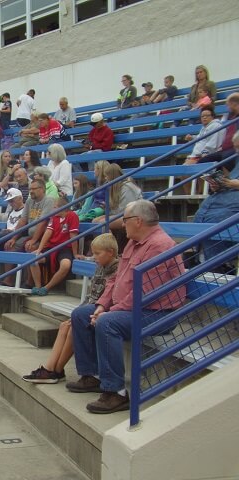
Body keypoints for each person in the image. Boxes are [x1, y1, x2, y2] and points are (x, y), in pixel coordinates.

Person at [68, 200, 186, 414]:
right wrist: (103, 304)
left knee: (107, 323)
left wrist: (110, 311)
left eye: (125, 219)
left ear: (138, 221)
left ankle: (116, 393)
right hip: (130, 308)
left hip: (157, 313)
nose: (122, 224)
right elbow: (115, 280)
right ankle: (92, 376)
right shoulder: (133, 242)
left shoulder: (159, 245)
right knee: (80, 314)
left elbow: (145, 292)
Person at [22, 233, 119, 383]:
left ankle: (55, 371)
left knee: (73, 326)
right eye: (93, 253)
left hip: (105, 310)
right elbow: (91, 295)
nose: (94, 257)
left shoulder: (117, 269)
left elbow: (109, 298)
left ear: (111, 252)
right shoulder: (100, 267)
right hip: (92, 307)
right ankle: (51, 369)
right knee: (64, 325)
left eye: (97, 254)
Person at [193, 131, 239, 268]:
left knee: (216, 220)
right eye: (236, 147)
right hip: (220, 200)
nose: (237, 151)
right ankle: (203, 260)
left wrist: (234, 184)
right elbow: (231, 181)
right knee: (200, 215)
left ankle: (220, 264)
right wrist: (219, 185)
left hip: (230, 207)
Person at [3, 179, 55, 286]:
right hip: (30, 235)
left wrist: (34, 240)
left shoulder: (49, 200)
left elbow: (43, 222)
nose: (31, 191)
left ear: (42, 189)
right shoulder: (29, 201)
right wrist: (13, 238)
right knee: (9, 246)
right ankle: (8, 280)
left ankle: (29, 283)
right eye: (30, 189)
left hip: (44, 237)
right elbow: (23, 220)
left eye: (34, 189)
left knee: (31, 248)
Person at [28, 196, 79, 296]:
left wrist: (75, 254)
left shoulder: (72, 216)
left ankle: (47, 288)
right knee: (33, 259)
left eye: (55, 207)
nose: (53, 209)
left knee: (66, 265)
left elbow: (73, 237)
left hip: (65, 249)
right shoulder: (54, 217)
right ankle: (38, 287)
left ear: (63, 207)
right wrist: (39, 249)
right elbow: (48, 232)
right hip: (51, 248)